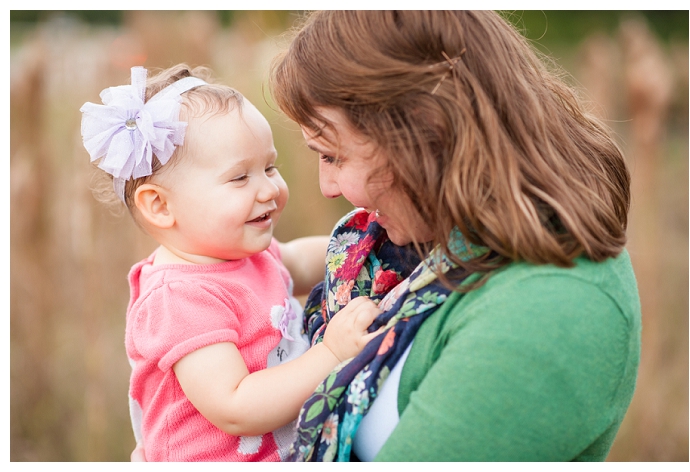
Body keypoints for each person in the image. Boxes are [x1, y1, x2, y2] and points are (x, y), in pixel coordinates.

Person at [268, 10, 642, 461]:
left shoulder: (551, 309)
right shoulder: (417, 246)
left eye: (332, 156)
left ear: (423, 133)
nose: (328, 188)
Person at [80, 64, 382, 461]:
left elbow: (308, 260)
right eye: (240, 178)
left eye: (270, 167)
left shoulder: (249, 255)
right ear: (159, 205)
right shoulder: (180, 298)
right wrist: (330, 354)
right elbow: (235, 406)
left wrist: (369, 240)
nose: (269, 188)